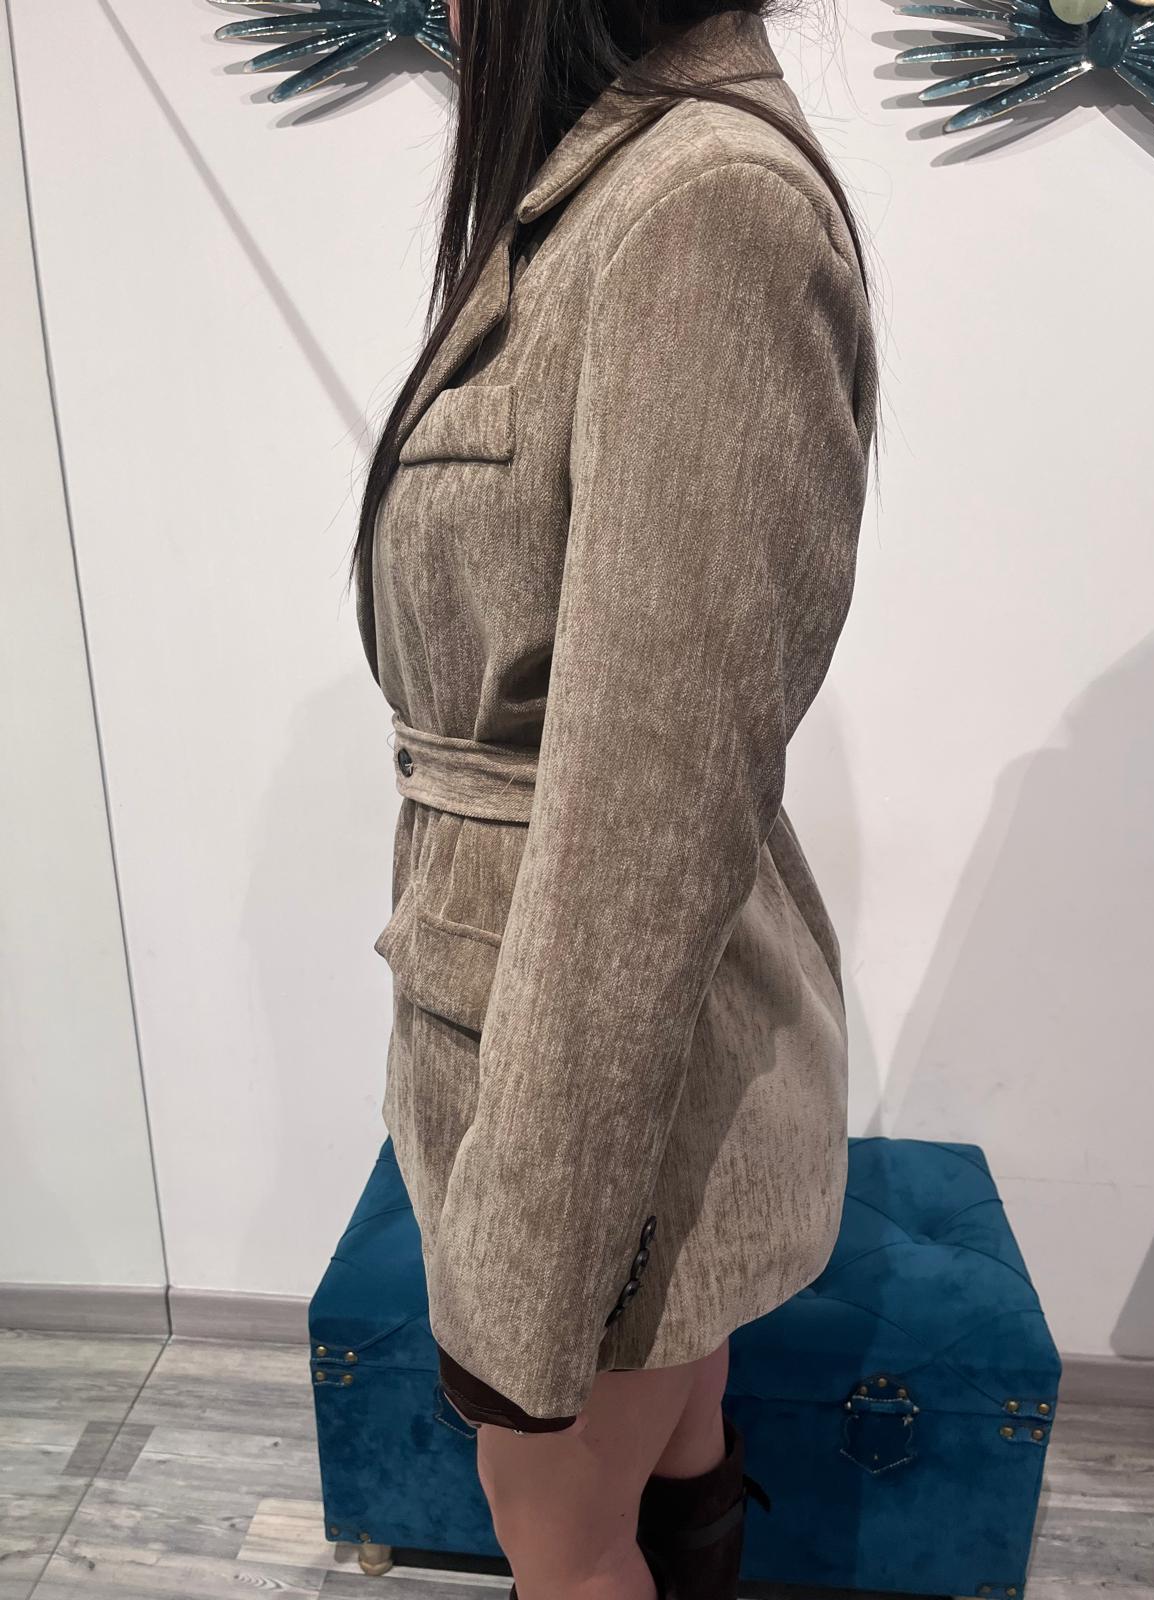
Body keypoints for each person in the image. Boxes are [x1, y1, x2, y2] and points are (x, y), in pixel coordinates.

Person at [349, 1, 879, 1595]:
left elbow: (650, 812)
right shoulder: (615, 188)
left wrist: (531, 1273)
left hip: (584, 1052)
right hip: (544, 1016)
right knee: (675, 1429)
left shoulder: (700, 206)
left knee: (561, 1542)